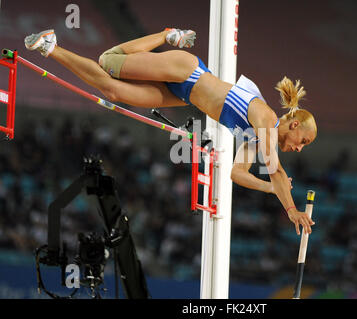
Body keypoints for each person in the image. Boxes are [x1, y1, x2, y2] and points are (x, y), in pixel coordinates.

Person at [24, 28, 317, 235]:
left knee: (111, 91)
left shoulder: (254, 137)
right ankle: (166, 35)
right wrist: (291, 210)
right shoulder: (265, 119)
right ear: (293, 125)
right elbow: (276, 171)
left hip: (184, 95)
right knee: (108, 62)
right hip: (186, 71)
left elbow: (236, 174)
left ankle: (51, 47)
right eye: (302, 140)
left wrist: (268, 188)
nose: (300, 148)